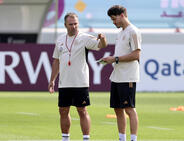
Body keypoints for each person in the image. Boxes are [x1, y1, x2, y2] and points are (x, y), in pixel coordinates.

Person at [48, 12, 107, 141]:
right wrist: (52, 80)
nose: (74, 26)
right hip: (64, 83)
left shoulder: (84, 38)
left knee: (82, 111)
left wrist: (102, 39)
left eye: (76, 24)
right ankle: (65, 138)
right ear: (65, 25)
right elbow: (56, 61)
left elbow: (101, 46)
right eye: (71, 24)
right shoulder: (59, 40)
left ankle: (86, 138)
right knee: (63, 111)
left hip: (80, 82)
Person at [102, 5, 142, 141]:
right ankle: (122, 138)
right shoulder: (120, 33)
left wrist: (115, 59)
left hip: (128, 76)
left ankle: (133, 139)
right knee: (118, 109)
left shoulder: (134, 31)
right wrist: (111, 60)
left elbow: (136, 55)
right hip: (117, 76)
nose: (113, 22)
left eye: (114, 19)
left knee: (129, 109)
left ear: (122, 15)